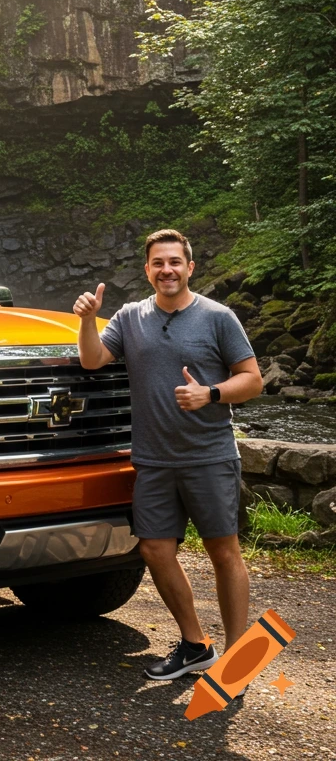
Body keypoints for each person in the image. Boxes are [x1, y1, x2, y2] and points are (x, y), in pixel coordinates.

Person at [73, 228, 263, 681]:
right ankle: (195, 645)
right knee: (155, 549)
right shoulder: (130, 317)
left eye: (175, 261)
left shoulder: (218, 317)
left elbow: (253, 379)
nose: (167, 270)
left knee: (224, 553)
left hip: (209, 455)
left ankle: (236, 663)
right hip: (154, 460)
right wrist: (87, 320)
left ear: (190, 267)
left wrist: (210, 393)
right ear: (147, 270)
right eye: (158, 263)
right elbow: (92, 360)